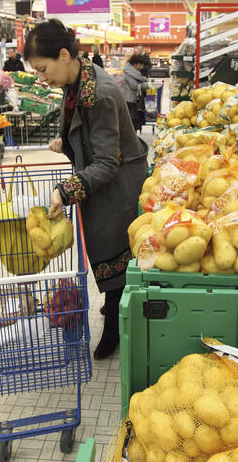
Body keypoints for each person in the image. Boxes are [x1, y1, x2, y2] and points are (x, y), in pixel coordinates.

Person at [24, 19, 148, 359]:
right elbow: (85, 128)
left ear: (64, 55)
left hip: (118, 183)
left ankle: (114, 329)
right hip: (100, 177)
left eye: (42, 68)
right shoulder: (77, 79)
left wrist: (63, 192)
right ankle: (114, 306)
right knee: (109, 250)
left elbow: (107, 163)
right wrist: (66, 140)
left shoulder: (101, 94)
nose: (41, 77)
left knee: (115, 251)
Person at [121, 54, 147, 133]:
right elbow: (134, 86)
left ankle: (134, 135)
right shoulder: (129, 72)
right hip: (130, 100)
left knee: (135, 121)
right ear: (135, 64)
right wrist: (147, 85)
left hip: (134, 99)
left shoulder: (134, 72)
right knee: (132, 121)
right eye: (141, 64)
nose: (142, 66)